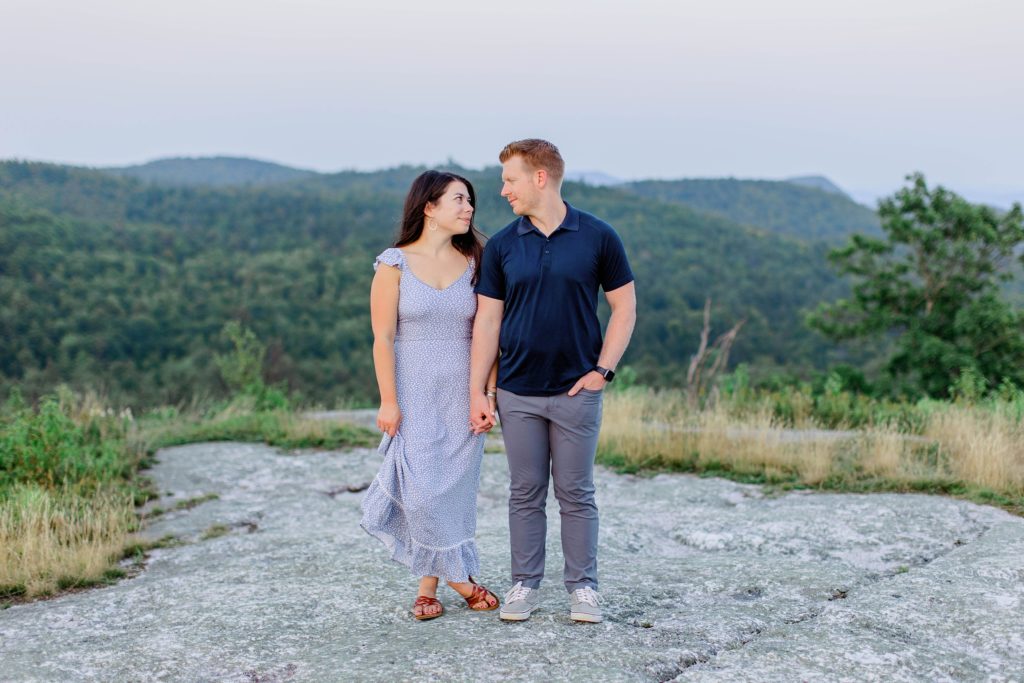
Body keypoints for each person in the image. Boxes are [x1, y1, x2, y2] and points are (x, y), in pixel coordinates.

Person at [470, 139, 637, 623]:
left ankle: (583, 588)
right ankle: (525, 585)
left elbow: (624, 308)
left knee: (576, 492)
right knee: (524, 492)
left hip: (575, 391)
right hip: (517, 392)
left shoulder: (598, 236)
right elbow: (487, 322)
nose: (503, 190)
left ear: (540, 178)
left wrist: (602, 372)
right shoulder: (502, 245)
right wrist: (478, 390)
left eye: (510, 180)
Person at [360, 170, 500, 621]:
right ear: (429, 208)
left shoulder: (476, 261)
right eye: (459, 199)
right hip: (415, 393)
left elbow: (488, 332)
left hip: (464, 392)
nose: (469, 208)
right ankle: (463, 582)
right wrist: (388, 400)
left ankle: (427, 588)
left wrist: (488, 393)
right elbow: (382, 338)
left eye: (470, 200)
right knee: (422, 494)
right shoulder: (393, 264)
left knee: (452, 493)